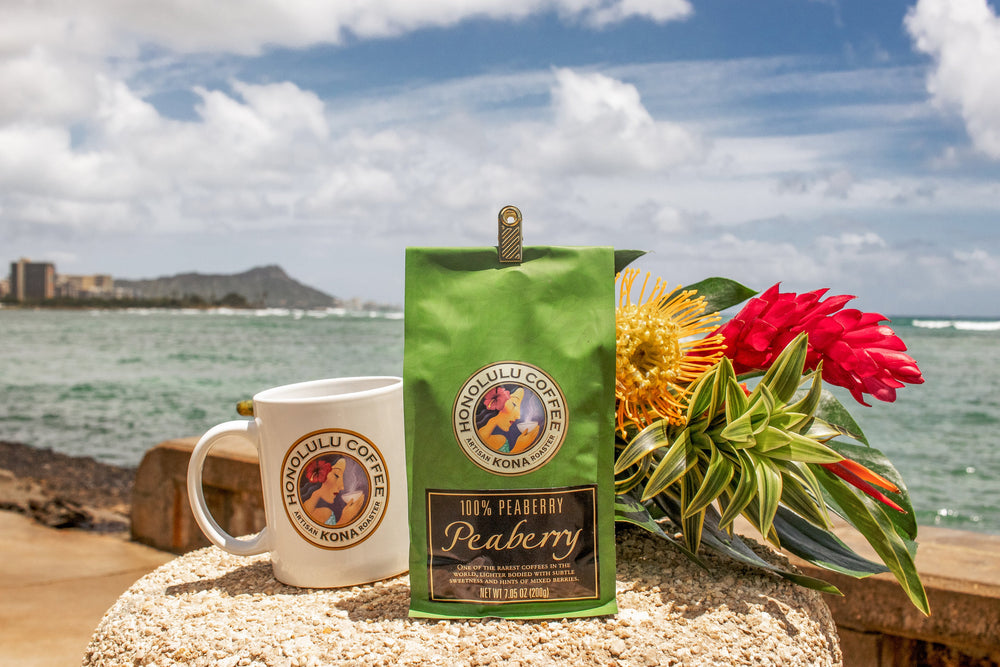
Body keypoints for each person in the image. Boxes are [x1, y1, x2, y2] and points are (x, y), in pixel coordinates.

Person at [476, 385, 541, 455]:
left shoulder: (502, 441)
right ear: (495, 401)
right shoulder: (475, 439)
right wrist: (519, 448)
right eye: (514, 404)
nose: (518, 416)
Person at [301, 456, 365, 527]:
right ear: (317, 474)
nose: (342, 487)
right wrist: (345, 519)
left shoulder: (327, 514)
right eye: (336, 475)